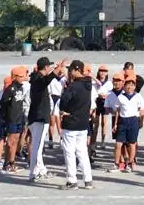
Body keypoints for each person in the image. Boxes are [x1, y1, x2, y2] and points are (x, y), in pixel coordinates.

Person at [58, 60, 94, 190]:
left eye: (71, 70)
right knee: (82, 152)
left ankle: (72, 181)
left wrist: (65, 110)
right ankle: (88, 179)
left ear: (76, 70)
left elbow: (63, 101)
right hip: (83, 123)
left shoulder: (74, 86)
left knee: (69, 152)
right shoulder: (88, 84)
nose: (69, 72)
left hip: (71, 122)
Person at [0, 66, 31, 175]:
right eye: (20, 76)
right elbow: (3, 104)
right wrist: (5, 118)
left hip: (19, 118)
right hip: (11, 119)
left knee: (16, 140)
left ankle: (12, 162)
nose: (23, 78)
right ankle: (7, 164)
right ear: (14, 77)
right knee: (11, 141)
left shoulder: (20, 88)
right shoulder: (10, 89)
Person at [112, 76, 144, 174]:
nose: (129, 87)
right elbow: (118, 111)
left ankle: (130, 163)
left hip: (133, 121)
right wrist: (115, 124)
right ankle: (116, 163)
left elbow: (143, 109)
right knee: (119, 144)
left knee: (132, 144)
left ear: (135, 87)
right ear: (124, 86)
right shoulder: (120, 97)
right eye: (128, 85)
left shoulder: (138, 96)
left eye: (132, 85)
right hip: (122, 121)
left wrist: (140, 119)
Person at [27, 57, 54, 180]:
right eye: (49, 66)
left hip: (36, 117)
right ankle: (33, 172)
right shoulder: (39, 79)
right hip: (40, 118)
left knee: (38, 146)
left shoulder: (35, 78)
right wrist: (56, 71)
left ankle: (40, 170)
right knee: (37, 147)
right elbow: (46, 80)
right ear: (46, 67)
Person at [104, 72, 126, 172]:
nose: (116, 83)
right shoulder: (109, 93)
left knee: (127, 143)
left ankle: (129, 161)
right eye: (115, 81)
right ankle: (120, 162)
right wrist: (114, 111)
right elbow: (106, 108)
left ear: (123, 82)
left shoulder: (127, 92)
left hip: (127, 118)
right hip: (115, 119)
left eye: (119, 81)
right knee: (118, 142)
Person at [48, 60, 69, 149]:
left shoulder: (64, 78)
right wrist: (56, 66)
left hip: (60, 98)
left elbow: (69, 80)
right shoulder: (52, 77)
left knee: (59, 120)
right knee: (51, 121)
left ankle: (61, 139)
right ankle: (50, 139)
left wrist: (63, 68)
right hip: (52, 97)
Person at [93, 64, 112, 148]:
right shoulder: (95, 82)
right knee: (96, 123)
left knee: (104, 123)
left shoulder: (109, 83)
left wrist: (106, 96)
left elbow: (111, 93)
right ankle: (93, 141)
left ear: (107, 73)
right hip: (97, 102)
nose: (102, 73)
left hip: (105, 103)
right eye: (101, 71)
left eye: (104, 71)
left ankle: (103, 141)